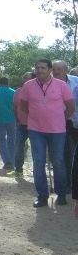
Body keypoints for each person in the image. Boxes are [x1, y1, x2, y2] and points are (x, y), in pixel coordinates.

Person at [16, 59, 75, 207]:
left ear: (50, 70)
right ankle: (42, 196)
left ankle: (61, 195)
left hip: (57, 131)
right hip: (36, 130)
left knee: (58, 162)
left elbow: (70, 106)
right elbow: (23, 105)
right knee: (38, 162)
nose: (39, 70)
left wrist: (60, 118)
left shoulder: (61, 85)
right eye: (37, 68)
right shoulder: (28, 86)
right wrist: (37, 117)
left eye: (43, 68)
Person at [53, 61, 78, 195]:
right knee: (59, 156)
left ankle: (70, 184)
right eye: (54, 69)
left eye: (59, 69)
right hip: (55, 124)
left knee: (71, 154)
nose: (56, 72)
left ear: (65, 70)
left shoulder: (75, 82)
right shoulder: (48, 83)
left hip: (73, 123)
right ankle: (63, 186)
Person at [13, 71, 33, 176]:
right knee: (18, 147)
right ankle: (18, 169)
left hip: (35, 125)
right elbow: (15, 107)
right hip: (21, 124)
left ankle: (37, 170)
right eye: (24, 78)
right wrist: (17, 119)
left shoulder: (37, 91)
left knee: (36, 148)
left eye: (27, 78)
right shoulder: (18, 91)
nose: (25, 80)